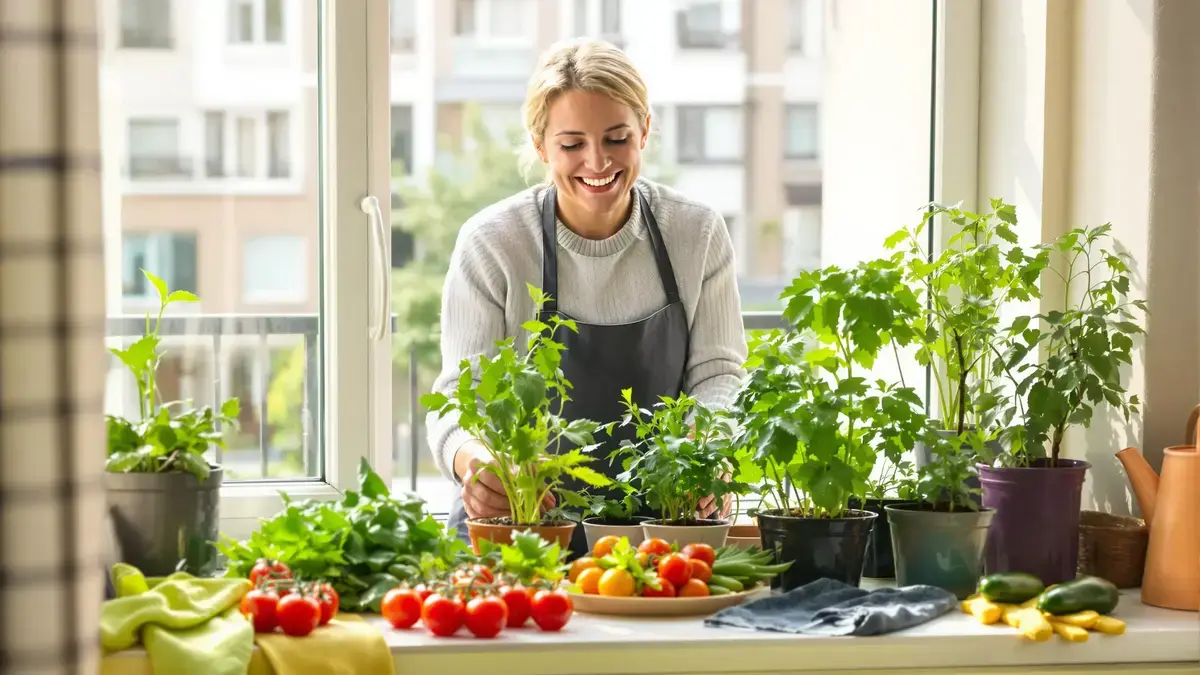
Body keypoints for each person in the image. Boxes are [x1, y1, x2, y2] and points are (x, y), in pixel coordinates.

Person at [428, 38, 748, 556]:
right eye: (572, 144)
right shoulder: (493, 242)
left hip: (650, 533)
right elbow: (456, 403)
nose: (596, 162)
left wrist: (707, 454)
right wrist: (474, 458)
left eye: (617, 137)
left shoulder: (696, 232)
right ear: (540, 146)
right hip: (517, 526)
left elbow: (719, 375)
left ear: (645, 129)